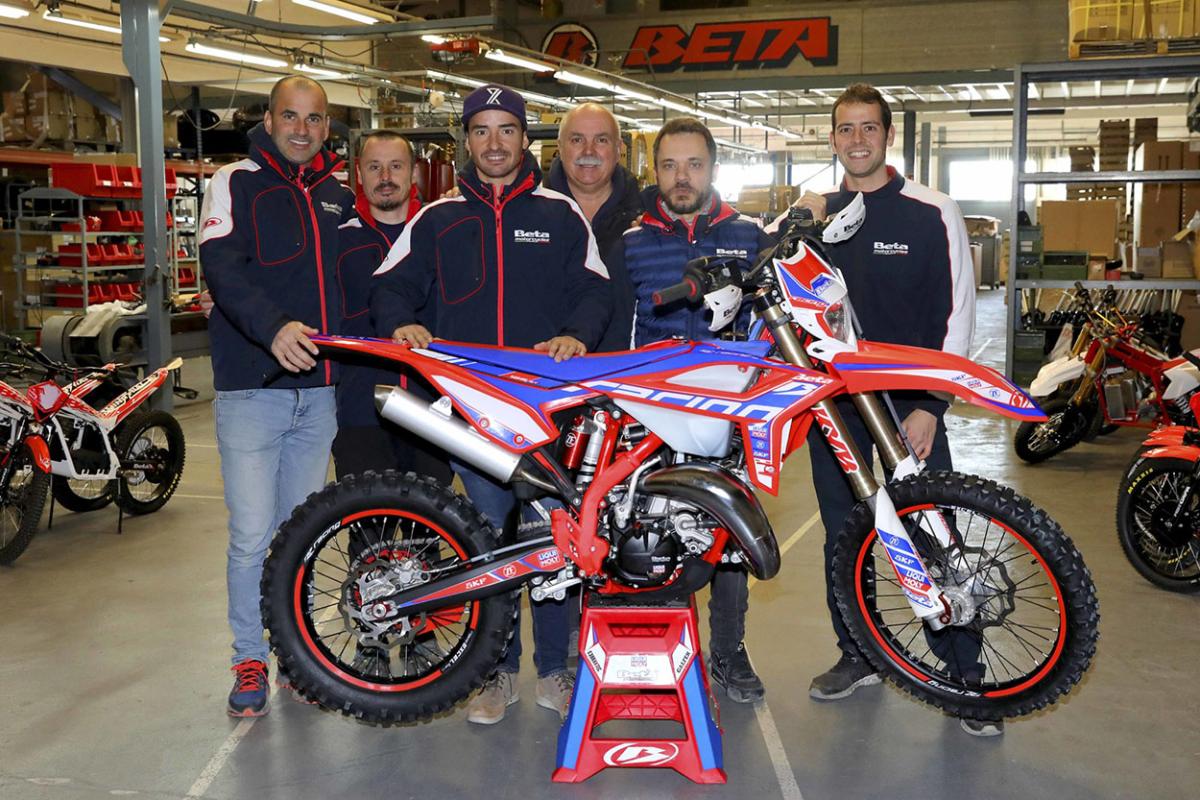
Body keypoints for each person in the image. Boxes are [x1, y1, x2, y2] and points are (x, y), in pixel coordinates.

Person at [370, 83, 611, 725]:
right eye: (482, 130)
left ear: (524, 139)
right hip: (472, 414)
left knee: (551, 539)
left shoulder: (561, 214)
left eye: (507, 129)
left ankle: (554, 671)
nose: (495, 142)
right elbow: (388, 286)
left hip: (546, 412)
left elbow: (596, 291)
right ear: (467, 141)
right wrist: (400, 323)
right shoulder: (437, 219)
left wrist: (577, 334)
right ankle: (497, 672)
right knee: (488, 544)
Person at [791, 84, 987, 735]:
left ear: (887, 135)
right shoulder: (816, 218)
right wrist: (802, 212)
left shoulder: (932, 211)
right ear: (832, 138)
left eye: (868, 127)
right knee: (844, 536)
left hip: (909, 407)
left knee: (933, 531)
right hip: (837, 405)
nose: (857, 140)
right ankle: (859, 653)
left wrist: (933, 403)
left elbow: (958, 312)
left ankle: (965, 671)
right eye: (845, 129)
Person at [605, 115, 774, 704]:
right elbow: (616, 331)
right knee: (657, 536)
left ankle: (728, 652)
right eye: (670, 165)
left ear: (713, 169)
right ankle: (663, 657)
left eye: (693, 165)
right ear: (654, 171)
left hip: (729, 410)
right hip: (653, 413)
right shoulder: (630, 242)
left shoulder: (750, 236)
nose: (682, 177)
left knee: (728, 537)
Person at [200, 75, 354, 717]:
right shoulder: (234, 182)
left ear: (326, 127)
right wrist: (273, 329)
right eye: (290, 116)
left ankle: (293, 649)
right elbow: (222, 271)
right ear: (268, 119)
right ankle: (248, 657)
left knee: (301, 533)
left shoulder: (337, 194)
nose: (301, 129)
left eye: (314, 119)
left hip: (317, 395)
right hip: (252, 392)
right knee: (251, 535)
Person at [332, 130, 451, 485]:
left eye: (396, 166)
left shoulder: (443, 234)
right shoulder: (337, 240)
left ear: (414, 172)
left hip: (433, 407)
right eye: (374, 167)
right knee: (366, 515)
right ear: (359, 173)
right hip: (361, 411)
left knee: (432, 515)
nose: (385, 177)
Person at [544, 102, 642, 352]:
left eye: (601, 140)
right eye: (577, 140)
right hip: (546, 363)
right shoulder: (529, 213)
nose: (589, 150)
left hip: (623, 365)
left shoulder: (646, 216)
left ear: (618, 149)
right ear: (560, 148)